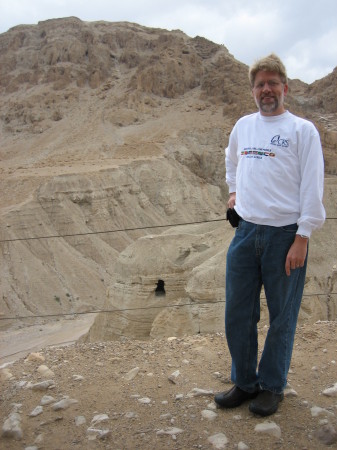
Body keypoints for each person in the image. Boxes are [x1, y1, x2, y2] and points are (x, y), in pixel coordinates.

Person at [215, 54, 326, 416]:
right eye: (260, 84)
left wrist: (303, 236)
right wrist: (233, 192)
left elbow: (312, 185)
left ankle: (271, 385)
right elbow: (232, 160)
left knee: (282, 317)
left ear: (285, 88)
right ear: (253, 90)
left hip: (285, 237)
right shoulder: (243, 126)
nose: (266, 89)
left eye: (272, 83)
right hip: (245, 234)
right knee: (238, 313)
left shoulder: (302, 130)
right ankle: (245, 382)